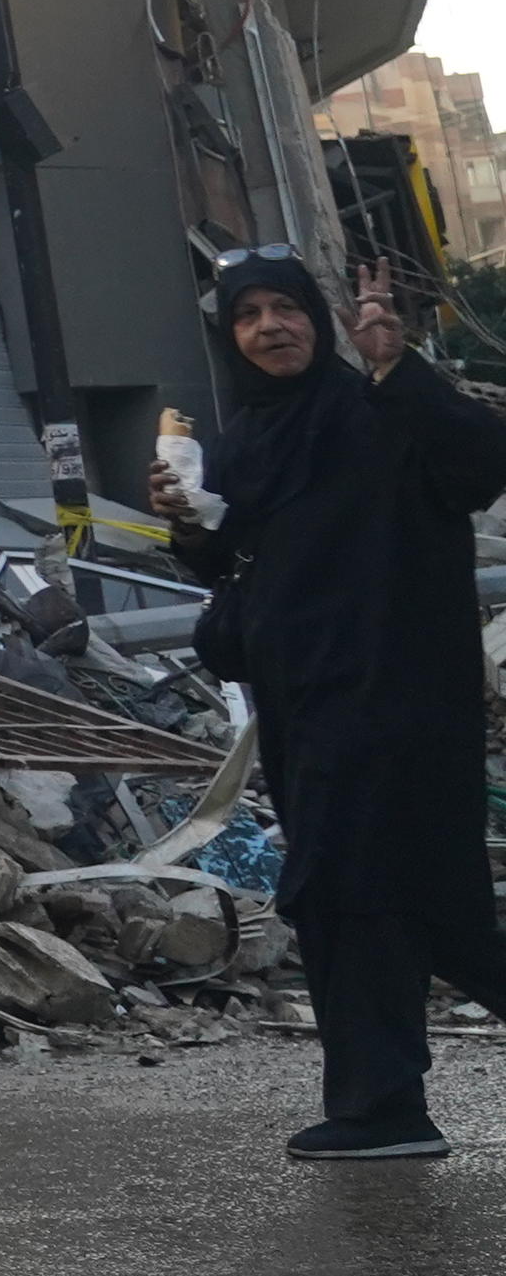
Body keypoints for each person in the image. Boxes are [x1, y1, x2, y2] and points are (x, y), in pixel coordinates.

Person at [165, 249, 506, 1160]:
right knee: (389, 899)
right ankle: (382, 1106)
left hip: (403, 696)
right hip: (305, 703)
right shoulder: (244, 439)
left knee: (360, 889)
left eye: (288, 307)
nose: (270, 325)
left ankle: (382, 1106)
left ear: (321, 320)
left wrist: (397, 366)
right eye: (249, 315)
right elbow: (231, 560)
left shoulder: (381, 408)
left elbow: (481, 467)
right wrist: (187, 520)